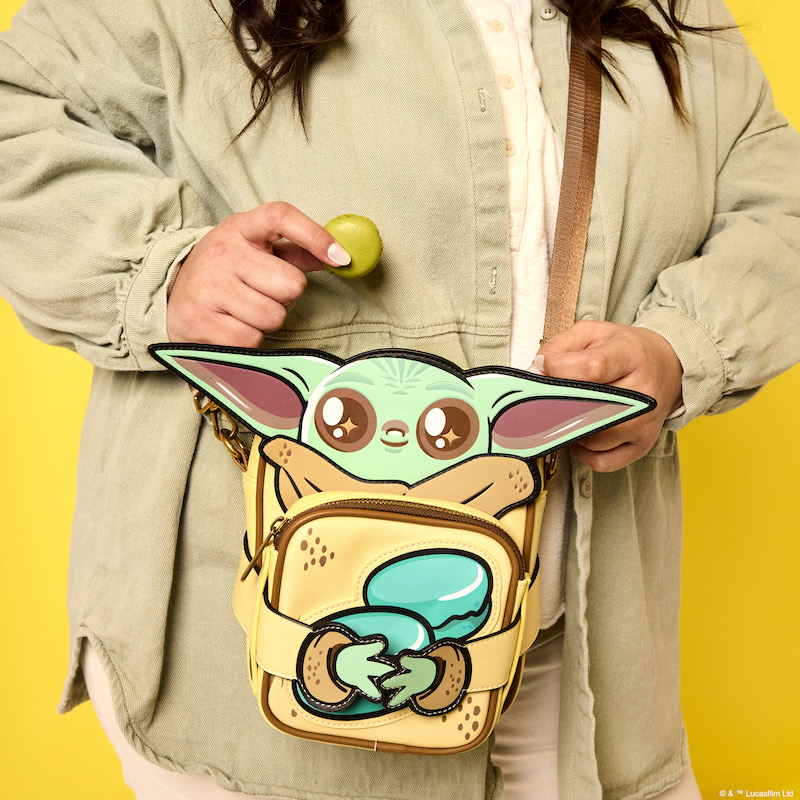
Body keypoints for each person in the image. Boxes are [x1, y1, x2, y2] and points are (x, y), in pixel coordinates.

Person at [1, 1, 798, 799]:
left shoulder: (679, 14)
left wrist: (683, 351)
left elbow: (780, 207)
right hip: (247, 675)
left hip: (582, 668)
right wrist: (163, 272)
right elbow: (18, 103)